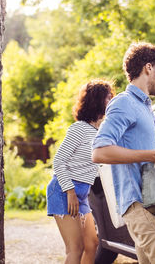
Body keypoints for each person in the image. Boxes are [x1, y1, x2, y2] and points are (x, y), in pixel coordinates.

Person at [92, 42, 155, 264]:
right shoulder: (124, 103)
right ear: (149, 68)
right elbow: (99, 152)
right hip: (140, 206)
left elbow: (138, 151)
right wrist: (153, 155)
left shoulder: (144, 106)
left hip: (150, 204)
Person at [47, 79, 114, 264]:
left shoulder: (101, 132)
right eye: (109, 98)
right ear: (98, 101)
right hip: (64, 191)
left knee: (92, 244)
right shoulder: (80, 129)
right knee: (75, 249)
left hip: (83, 194)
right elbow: (59, 161)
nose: (112, 101)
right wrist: (70, 192)